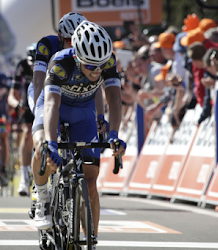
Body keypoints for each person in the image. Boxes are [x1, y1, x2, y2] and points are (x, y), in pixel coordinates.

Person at [32, 21, 126, 246]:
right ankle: (43, 199)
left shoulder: (108, 61)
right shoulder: (60, 63)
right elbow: (51, 105)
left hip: (84, 112)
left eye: (100, 66)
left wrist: (113, 133)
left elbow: (114, 98)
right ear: (77, 58)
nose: (96, 71)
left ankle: (92, 239)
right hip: (57, 106)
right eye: (90, 66)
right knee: (41, 147)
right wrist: (51, 143)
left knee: (91, 180)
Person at [7, 43, 36, 196]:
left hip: (44, 101)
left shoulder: (50, 63)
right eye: (32, 64)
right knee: (27, 134)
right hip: (27, 103)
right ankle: (24, 179)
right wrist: (17, 105)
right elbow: (11, 95)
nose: (33, 68)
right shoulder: (22, 65)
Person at [0, 74, 12, 187]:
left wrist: (9, 113)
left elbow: (13, 93)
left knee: (3, 137)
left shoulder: (4, 78)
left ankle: (3, 168)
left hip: (2, 116)